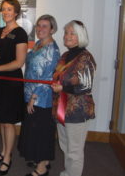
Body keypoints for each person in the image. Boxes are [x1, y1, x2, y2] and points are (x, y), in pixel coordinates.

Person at [0, 0, 28, 175]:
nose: (6, 12)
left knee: (9, 122)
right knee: (2, 119)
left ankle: (8, 158)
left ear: (16, 12)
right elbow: (3, 55)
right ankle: (3, 152)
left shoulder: (20, 33)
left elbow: (18, 62)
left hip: (11, 82)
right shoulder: (0, 30)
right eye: (3, 9)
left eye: (9, 9)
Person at [51, 20, 96, 176]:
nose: (67, 36)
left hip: (78, 110)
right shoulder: (65, 55)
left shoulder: (86, 57)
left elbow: (86, 86)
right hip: (62, 107)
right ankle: (68, 172)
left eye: (72, 33)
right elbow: (58, 76)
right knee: (65, 145)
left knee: (75, 150)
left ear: (80, 36)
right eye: (66, 32)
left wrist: (63, 87)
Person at [18, 15, 60, 176]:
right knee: (34, 131)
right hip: (30, 94)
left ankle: (41, 169)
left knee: (42, 132)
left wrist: (33, 98)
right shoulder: (38, 44)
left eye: (44, 26)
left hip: (41, 99)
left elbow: (47, 77)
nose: (40, 29)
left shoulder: (52, 50)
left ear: (52, 29)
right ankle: (44, 161)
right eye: (38, 26)